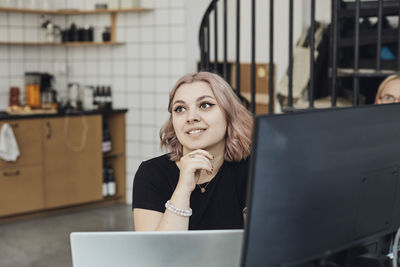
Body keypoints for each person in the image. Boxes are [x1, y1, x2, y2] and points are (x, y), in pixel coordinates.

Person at [132, 72, 253, 231]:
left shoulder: (252, 169)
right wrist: (183, 189)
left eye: (205, 105)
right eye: (180, 108)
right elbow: (158, 253)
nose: (191, 117)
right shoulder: (151, 174)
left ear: (229, 114)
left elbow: (263, 245)